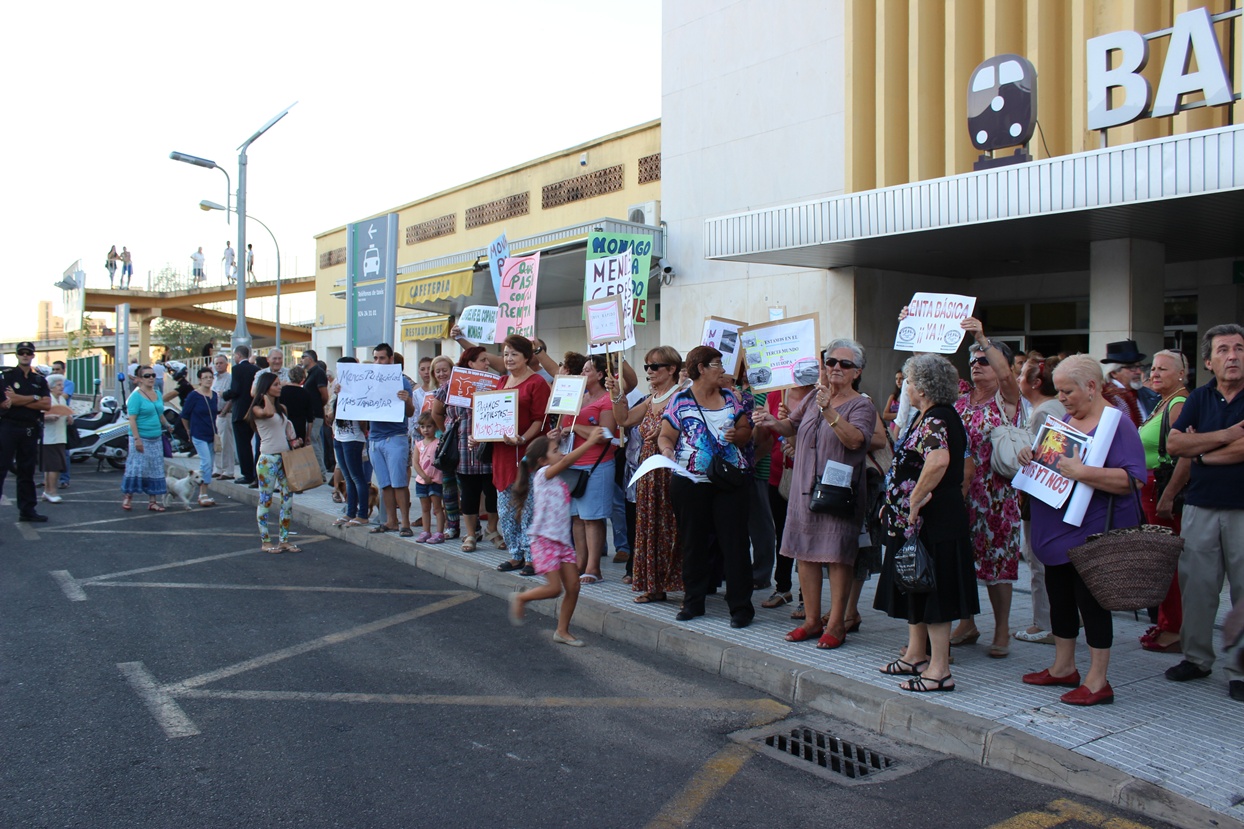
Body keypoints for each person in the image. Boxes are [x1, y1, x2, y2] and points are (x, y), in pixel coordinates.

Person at [1022, 355, 1147, 706]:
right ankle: (1063, 667)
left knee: (1090, 602)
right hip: (1056, 530)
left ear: (1091, 387)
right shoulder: (1065, 419)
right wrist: (1029, 456)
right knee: (1059, 596)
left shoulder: (1116, 424)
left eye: (1067, 391)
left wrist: (1084, 474)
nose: (1060, 398)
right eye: (1059, 391)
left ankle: (1097, 680)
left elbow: (1134, 479)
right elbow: (1054, 462)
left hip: (1090, 530)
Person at [754, 339, 876, 647]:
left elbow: (855, 441)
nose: (835, 368)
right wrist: (770, 421)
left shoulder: (862, 404)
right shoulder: (812, 397)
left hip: (838, 492)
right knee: (805, 554)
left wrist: (829, 410)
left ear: (857, 371)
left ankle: (835, 624)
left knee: (837, 557)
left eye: (844, 364)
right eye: (831, 362)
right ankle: (811, 620)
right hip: (804, 489)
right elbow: (789, 427)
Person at [874, 354, 978, 692]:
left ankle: (939, 671)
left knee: (936, 590)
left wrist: (915, 499)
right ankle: (916, 655)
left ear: (922, 385)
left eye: (909, 379)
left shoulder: (937, 418)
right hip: (918, 520)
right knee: (915, 584)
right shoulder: (925, 416)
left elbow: (938, 460)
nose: (904, 384)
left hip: (934, 519)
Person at [1166, 324, 1244, 702]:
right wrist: (1228, 436)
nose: (1233, 355)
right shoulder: (1198, 397)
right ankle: (1196, 659)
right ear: (1209, 361)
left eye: (1239, 348)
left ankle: (1240, 670)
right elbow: (1174, 442)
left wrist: (1201, 451)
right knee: (1196, 587)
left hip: (1242, 509)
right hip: (1199, 506)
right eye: (1224, 350)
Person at [657, 345, 755, 628]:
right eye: (717, 365)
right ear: (701, 368)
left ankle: (740, 608)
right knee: (693, 543)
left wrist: (737, 433)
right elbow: (666, 435)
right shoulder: (680, 401)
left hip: (730, 481)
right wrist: (666, 451)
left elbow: (747, 432)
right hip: (691, 481)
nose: (723, 370)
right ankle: (693, 602)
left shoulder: (730, 399)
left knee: (734, 544)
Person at [952, 316, 1025, 658]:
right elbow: (930, 370)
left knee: (997, 565)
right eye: (973, 361)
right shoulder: (961, 398)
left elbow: (1008, 377)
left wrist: (983, 339)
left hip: (996, 495)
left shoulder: (1007, 401)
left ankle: (1001, 630)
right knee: (959, 560)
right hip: (960, 492)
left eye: (984, 360)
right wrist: (917, 330)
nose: (977, 365)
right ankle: (966, 622)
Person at [508, 427, 609, 646]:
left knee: (573, 587)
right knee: (554, 589)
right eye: (556, 451)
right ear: (544, 460)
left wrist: (558, 438)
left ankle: (562, 631)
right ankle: (521, 597)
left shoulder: (559, 480)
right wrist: (590, 441)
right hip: (544, 540)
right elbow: (564, 463)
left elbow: (565, 465)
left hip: (562, 543)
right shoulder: (543, 475)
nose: (561, 453)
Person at [610, 347, 685, 604]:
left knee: (670, 528)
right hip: (648, 473)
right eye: (647, 367)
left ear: (672, 369)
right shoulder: (652, 398)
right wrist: (616, 394)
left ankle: (681, 582)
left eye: (655, 366)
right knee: (649, 528)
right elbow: (624, 419)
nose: (650, 372)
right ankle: (654, 585)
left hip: (670, 471)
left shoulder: (681, 396)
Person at [1136, 349, 1191, 654]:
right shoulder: (1163, 402)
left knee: (1167, 563)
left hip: (1162, 491)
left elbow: (1186, 454)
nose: (1154, 374)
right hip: (1151, 489)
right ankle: (1168, 623)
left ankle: (1174, 628)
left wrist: (1168, 496)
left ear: (1181, 374)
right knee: (1161, 563)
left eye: (1163, 370)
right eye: (1153, 368)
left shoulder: (1179, 404)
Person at [549, 354, 617, 585]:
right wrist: (557, 435)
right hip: (572, 464)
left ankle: (593, 567)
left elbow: (606, 433)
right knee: (577, 517)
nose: (582, 374)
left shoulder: (607, 400)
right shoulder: (574, 398)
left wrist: (576, 427)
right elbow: (564, 428)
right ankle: (580, 563)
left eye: (587, 370)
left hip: (596, 463)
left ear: (600, 375)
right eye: (582, 370)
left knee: (592, 518)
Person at [1012, 354, 1064, 646]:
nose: (1018, 380)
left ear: (1035, 382)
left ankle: (1044, 622)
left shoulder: (1043, 412)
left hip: (1042, 496)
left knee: (1038, 560)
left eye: (1022, 375)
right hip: (1052, 496)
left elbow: (1037, 457)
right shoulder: (1052, 407)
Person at [491, 336, 552, 575]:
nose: (508, 358)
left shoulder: (537, 383)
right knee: (505, 508)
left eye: (514, 354)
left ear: (527, 357)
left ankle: (532, 557)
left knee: (529, 508)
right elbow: (492, 419)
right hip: (502, 455)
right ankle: (515, 554)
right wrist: (479, 436)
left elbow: (540, 420)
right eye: (506, 354)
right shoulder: (501, 382)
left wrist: (524, 439)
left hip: (526, 454)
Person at [442, 347, 499, 551]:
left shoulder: (494, 383)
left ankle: (493, 530)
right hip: (464, 450)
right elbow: (437, 411)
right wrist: (450, 430)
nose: (487, 364)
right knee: (468, 494)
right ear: (470, 363)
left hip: (488, 447)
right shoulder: (452, 385)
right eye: (483, 360)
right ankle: (470, 534)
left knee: (492, 493)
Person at [247, 372, 304, 553]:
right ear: (266, 388)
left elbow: (286, 432)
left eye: (279, 384)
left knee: (287, 500)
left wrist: (295, 442)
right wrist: (263, 395)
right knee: (266, 500)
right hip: (267, 459)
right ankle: (266, 541)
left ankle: (284, 540)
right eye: (276, 384)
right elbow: (268, 412)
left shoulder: (282, 409)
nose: (280, 387)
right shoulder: (257, 408)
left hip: (284, 457)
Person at [368, 342, 417, 537]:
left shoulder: (402, 382)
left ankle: (405, 523)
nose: (378, 361)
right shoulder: (369, 380)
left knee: (399, 483)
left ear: (391, 359)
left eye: (381, 358)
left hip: (395, 437)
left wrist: (407, 400)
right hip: (374, 438)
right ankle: (390, 521)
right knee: (384, 484)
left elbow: (411, 412)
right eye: (375, 358)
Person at [0, 343, 51, 522]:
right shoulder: (6, 377)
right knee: (2, 469)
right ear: (17, 355)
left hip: (29, 428)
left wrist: (20, 399)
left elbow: (46, 404)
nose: (24, 355)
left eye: (28, 353)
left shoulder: (39, 380)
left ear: (32, 356)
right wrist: (34, 398)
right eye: (21, 353)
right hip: (8, 427)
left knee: (27, 471)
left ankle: (27, 510)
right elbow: (6, 400)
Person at [328, 357, 371, 528]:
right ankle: (350, 512)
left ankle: (362, 514)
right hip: (339, 436)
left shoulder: (360, 388)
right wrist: (336, 395)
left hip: (353, 438)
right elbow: (331, 416)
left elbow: (363, 419)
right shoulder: (339, 387)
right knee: (348, 477)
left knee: (357, 477)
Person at [121, 365, 169, 512]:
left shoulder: (158, 394)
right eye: (147, 376)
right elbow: (132, 419)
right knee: (136, 467)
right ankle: (128, 496)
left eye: (153, 375)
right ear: (139, 379)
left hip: (156, 437)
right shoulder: (136, 397)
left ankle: (152, 501)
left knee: (155, 468)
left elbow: (159, 413)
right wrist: (137, 439)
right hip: (141, 437)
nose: (151, 378)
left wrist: (167, 425)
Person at [425, 355, 460, 537]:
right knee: (448, 486)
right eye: (437, 371)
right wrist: (447, 433)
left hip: (460, 444)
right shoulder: (435, 392)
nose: (441, 374)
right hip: (444, 446)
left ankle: (472, 525)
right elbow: (435, 415)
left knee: (464, 487)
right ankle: (452, 525)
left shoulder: (459, 388)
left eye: (445, 369)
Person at [180, 367, 219, 507]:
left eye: (210, 377)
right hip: (198, 433)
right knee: (206, 463)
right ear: (199, 380)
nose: (208, 380)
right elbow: (184, 415)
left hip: (211, 434)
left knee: (210, 464)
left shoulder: (214, 395)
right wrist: (188, 431)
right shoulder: (194, 395)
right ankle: (202, 494)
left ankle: (204, 493)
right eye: (205, 377)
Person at [222, 345, 259, 486]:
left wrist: (224, 395)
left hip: (240, 412)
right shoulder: (256, 369)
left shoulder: (237, 369)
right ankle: (256, 473)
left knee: (243, 445)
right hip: (254, 411)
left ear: (238, 355)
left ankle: (247, 474)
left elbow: (235, 390)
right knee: (257, 444)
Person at [411, 412, 447, 543]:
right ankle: (426, 531)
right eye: (422, 426)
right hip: (422, 481)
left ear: (435, 427)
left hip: (436, 480)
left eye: (429, 426)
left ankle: (439, 532)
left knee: (437, 508)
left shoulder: (439, 443)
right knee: (425, 508)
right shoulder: (418, 444)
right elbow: (415, 462)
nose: (425, 430)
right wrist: (423, 476)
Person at [1101, 340, 1150, 425]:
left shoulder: (1147, 394)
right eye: (1131, 367)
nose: (1138, 372)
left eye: (1139, 366)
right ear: (1114, 372)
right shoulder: (1106, 396)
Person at [38, 374, 70, 505]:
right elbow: (39, 415)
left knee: (52, 467)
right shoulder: (47, 400)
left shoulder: (61, 399)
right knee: (53, 467)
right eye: (58, 385)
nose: (61, 387)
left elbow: (66, 413)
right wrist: (48, 417)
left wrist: (69, 417)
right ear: (51, 388)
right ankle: (52, 492)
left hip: (60, 437)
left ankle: (47, 491)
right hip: (49, 438)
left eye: (62, 385)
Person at [300, 350, 330, 480]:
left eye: (303, 357)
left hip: (315, 413)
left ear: (310, 359)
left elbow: (324, 395)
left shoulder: (318, 373)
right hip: (312, 412)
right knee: (316, 441)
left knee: (312, 440)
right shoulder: (312, 373)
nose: (301, 360)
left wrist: (318, 406)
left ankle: (320, 472)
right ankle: (320, 470)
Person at [210, 353, 236, 480]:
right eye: (216, 363)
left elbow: (231, 397)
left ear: (226, 364)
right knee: (217, 443)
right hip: (213, 414)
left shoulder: (230, 378)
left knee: (226, 443)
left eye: (221, 363)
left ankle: (228, 470)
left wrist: (224, 412)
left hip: (224, 414)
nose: (218, 365)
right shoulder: (213, 379)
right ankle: (218, 468)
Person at [279, 364, 314, 443]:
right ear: (303, 379)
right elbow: (310, 418)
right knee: (298, 452)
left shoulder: (282, 391)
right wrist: (308, 435)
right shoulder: (306, 393)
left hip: (284, 425)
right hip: (299, 426)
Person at [882, 370, 903, 436]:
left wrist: (892, 415)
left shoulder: (910, 398)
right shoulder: (893, 397)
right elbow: (885, 415)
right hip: (893, 429)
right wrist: (901, 414)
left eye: (901, 378)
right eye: (896, 379)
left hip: (903, 430)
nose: (898, 381)